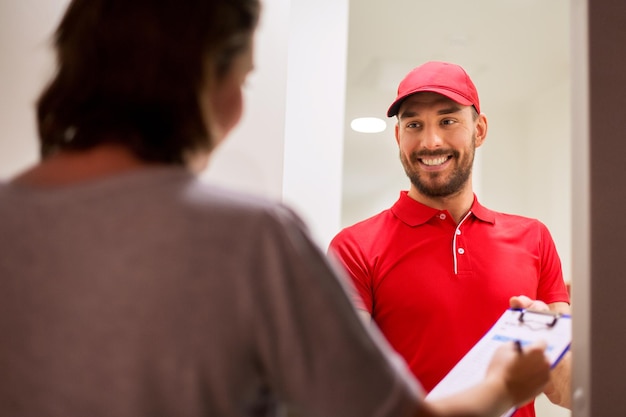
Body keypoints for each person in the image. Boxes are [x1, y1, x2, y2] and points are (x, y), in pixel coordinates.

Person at [0, 2, 551, 415]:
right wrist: (504, 385)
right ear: (202, 80)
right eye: (243, 78)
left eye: (447, 118)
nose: (430, 138)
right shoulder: (255, 240)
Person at [328, 61, 572, 416]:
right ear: (398, 137)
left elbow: (568, 393)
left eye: (448, 121)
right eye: (414, 125)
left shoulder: (534, 238)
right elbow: (346, 395)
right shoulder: (353, 248)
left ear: (480, 129)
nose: (430, 142)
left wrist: (546, 342)